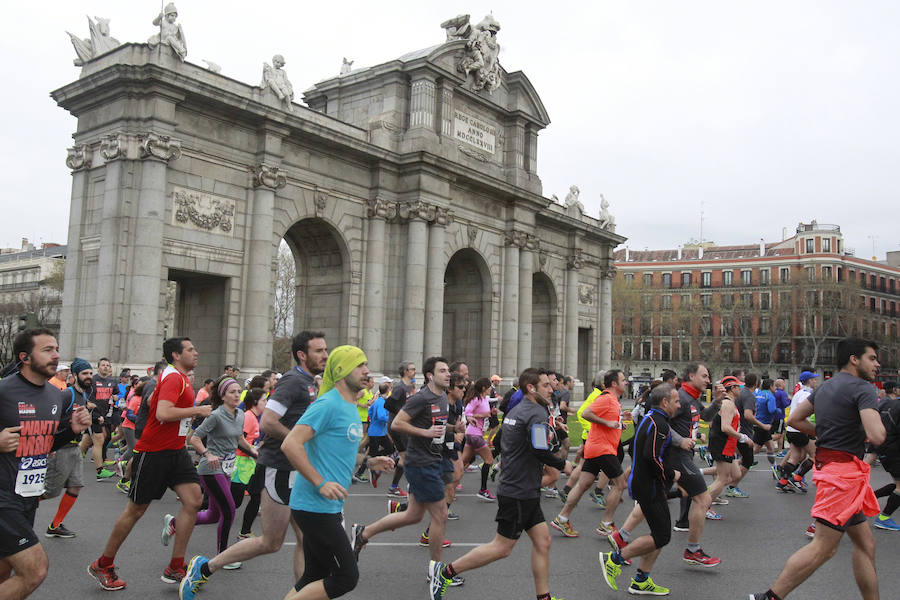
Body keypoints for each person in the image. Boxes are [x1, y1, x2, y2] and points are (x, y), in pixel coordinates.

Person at [178, 331, 328, 599]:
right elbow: (268, 422)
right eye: (319, 351)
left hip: (298, 469)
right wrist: (298, 441)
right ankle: (205, 567)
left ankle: (302, 594)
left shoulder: (311, 384)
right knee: (271, 542)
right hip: (279, 469)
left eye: (325, 350)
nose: (325, 355)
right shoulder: (292, 382)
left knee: (306, 539)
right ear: (302, 355)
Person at [750, 337, 886, 600]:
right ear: (854, 359)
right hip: (843, 476)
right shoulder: (863, 389)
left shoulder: (823, 389)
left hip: (839, 472)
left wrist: (823, 431)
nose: (877, 364)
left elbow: (794, 419)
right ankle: (770, 597)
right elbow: (877, 435)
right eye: (872, 358)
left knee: (865, 543)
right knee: (824, 547)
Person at [428, 367, 573, 600]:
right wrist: (562, 464)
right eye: (546, 385)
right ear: (531, 388)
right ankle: (445, 573)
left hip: (522, 487)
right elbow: (538, 448)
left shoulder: (518, 411)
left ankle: (544, 597)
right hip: (519, 490)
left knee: (543, 541)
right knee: (502, 547)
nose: (551, 388)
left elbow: (510, 442)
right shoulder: (535, 413)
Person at [88, 337, 212, 590]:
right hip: (154, 452)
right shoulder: (174, 377)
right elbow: (163, 413)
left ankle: (176, 566)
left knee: (194, 500)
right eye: (190, 349)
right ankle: (103, 564)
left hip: (176, 451)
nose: (196, 353)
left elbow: (156, 405)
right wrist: (198, 411)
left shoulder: (177, 377)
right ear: (176, 355)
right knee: (135, 511)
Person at [275, 346, 395, 600]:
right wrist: (320, 483)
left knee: (313, 576)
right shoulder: (327, 403)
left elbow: (338, 452)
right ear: (340, 370)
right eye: (359, 365)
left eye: (366, 364)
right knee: (345, 578)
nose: (366, 370)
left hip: (326, 506)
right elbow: (290, 444)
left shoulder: (350, 405)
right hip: (313, 505)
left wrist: (369, 461)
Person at [0, 329, 91, 600]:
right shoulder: (4, 390)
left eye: (56, 348)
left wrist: (71, 429)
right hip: (3, 498)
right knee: (35, 570)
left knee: (4, 572)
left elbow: (43, 443)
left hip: (28, 497)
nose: (56, 355)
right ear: (25, 357)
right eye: (47, 350)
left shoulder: (55, 395)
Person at [351, 357, 452, 573]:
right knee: (440, 515)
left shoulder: (441, 396)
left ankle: (363, 533)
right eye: (443, 370)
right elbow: (397, 423)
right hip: (421, 463)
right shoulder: (422, 397)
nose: (448, 374)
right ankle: (437, 573)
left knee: (413, 515)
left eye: (448, 370)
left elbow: (435, 425)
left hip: (432, 460)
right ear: (430, 376)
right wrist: (424, 433)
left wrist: (455, 427)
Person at [601, 383, 682, 596]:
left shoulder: (651, 418)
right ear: (665, 402)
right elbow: (651, 456)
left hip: (645, 483)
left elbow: (635, 450)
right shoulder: (659, 424)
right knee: (663, 535)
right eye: (676, 401)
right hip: (649, 486)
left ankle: (641, 580)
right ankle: (615, 559)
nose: (679, 404)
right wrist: (672, 474)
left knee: (660, 532)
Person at [166, 376, 255, 566]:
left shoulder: (239, 415)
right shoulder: (216, 415)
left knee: (214, 515)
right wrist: (208, 453)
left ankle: (174, 523)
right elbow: (195, 438)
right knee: (229, 510)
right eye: (232, 392)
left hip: (227, 468)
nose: (237, 395)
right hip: (211, 469)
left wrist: (255, 453)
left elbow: (239, 439)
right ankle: (223, 557)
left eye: (239, 391)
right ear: (223, 396)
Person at [552, 370, 628, 538]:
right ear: (614, 383)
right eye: (623, 380)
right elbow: (586, 413)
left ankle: (562, 518)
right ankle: (606, 524)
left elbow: (608, 421)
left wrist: (619, 422)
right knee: (621, 484)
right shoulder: (606, 398)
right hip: (603, 449)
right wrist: (608, 422)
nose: (626, 382)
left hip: (596, 448)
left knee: (583, 484)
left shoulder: (612, 400)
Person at [666, 363, 722, 567]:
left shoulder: (692, 398)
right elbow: (661, 422)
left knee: (652, 500)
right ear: (691, 375)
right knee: (703, 498)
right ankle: (693, 550)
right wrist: (680, 440)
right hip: (677, 456)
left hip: (683, 455)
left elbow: (704, 417)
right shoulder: (680, 397)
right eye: (704, 376)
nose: (708, 380)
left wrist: (716, 402)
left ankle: (621, 537)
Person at [42, 357, 94, 538]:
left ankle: (55, 525)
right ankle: (15, 509)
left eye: (90, 373)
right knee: (49, 492)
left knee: (75, 486)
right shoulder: (67, 395)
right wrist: (51, 446)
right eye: (84, 373)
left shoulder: (84, 395)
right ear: (74, 375)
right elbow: (52, 421)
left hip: (75, 448)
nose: (89, 377)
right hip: (61, 448)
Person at [231, 388, 266, 538]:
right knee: (232, 503)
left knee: (256, 496)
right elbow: (238, 442)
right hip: (239, 464)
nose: (267, 403)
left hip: (248, 464)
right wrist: (254, 453)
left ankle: (245, 532)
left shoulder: (254, 417)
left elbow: (249, 442)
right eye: (265, 400)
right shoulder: (248, 417)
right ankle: (187, 514)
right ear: (256, 402)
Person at [461, 377, 496, 501]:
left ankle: (446, 485)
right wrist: (482, 415)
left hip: (475, 434)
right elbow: (467, 412)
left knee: (462, 463)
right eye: (489, 387)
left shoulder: (484, 399)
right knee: (489, 460)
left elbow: (485, 412)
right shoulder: (476, 399)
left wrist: (491, 412)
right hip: (474, 434)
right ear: (483, 388)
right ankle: (483, 490)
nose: (490, 389)